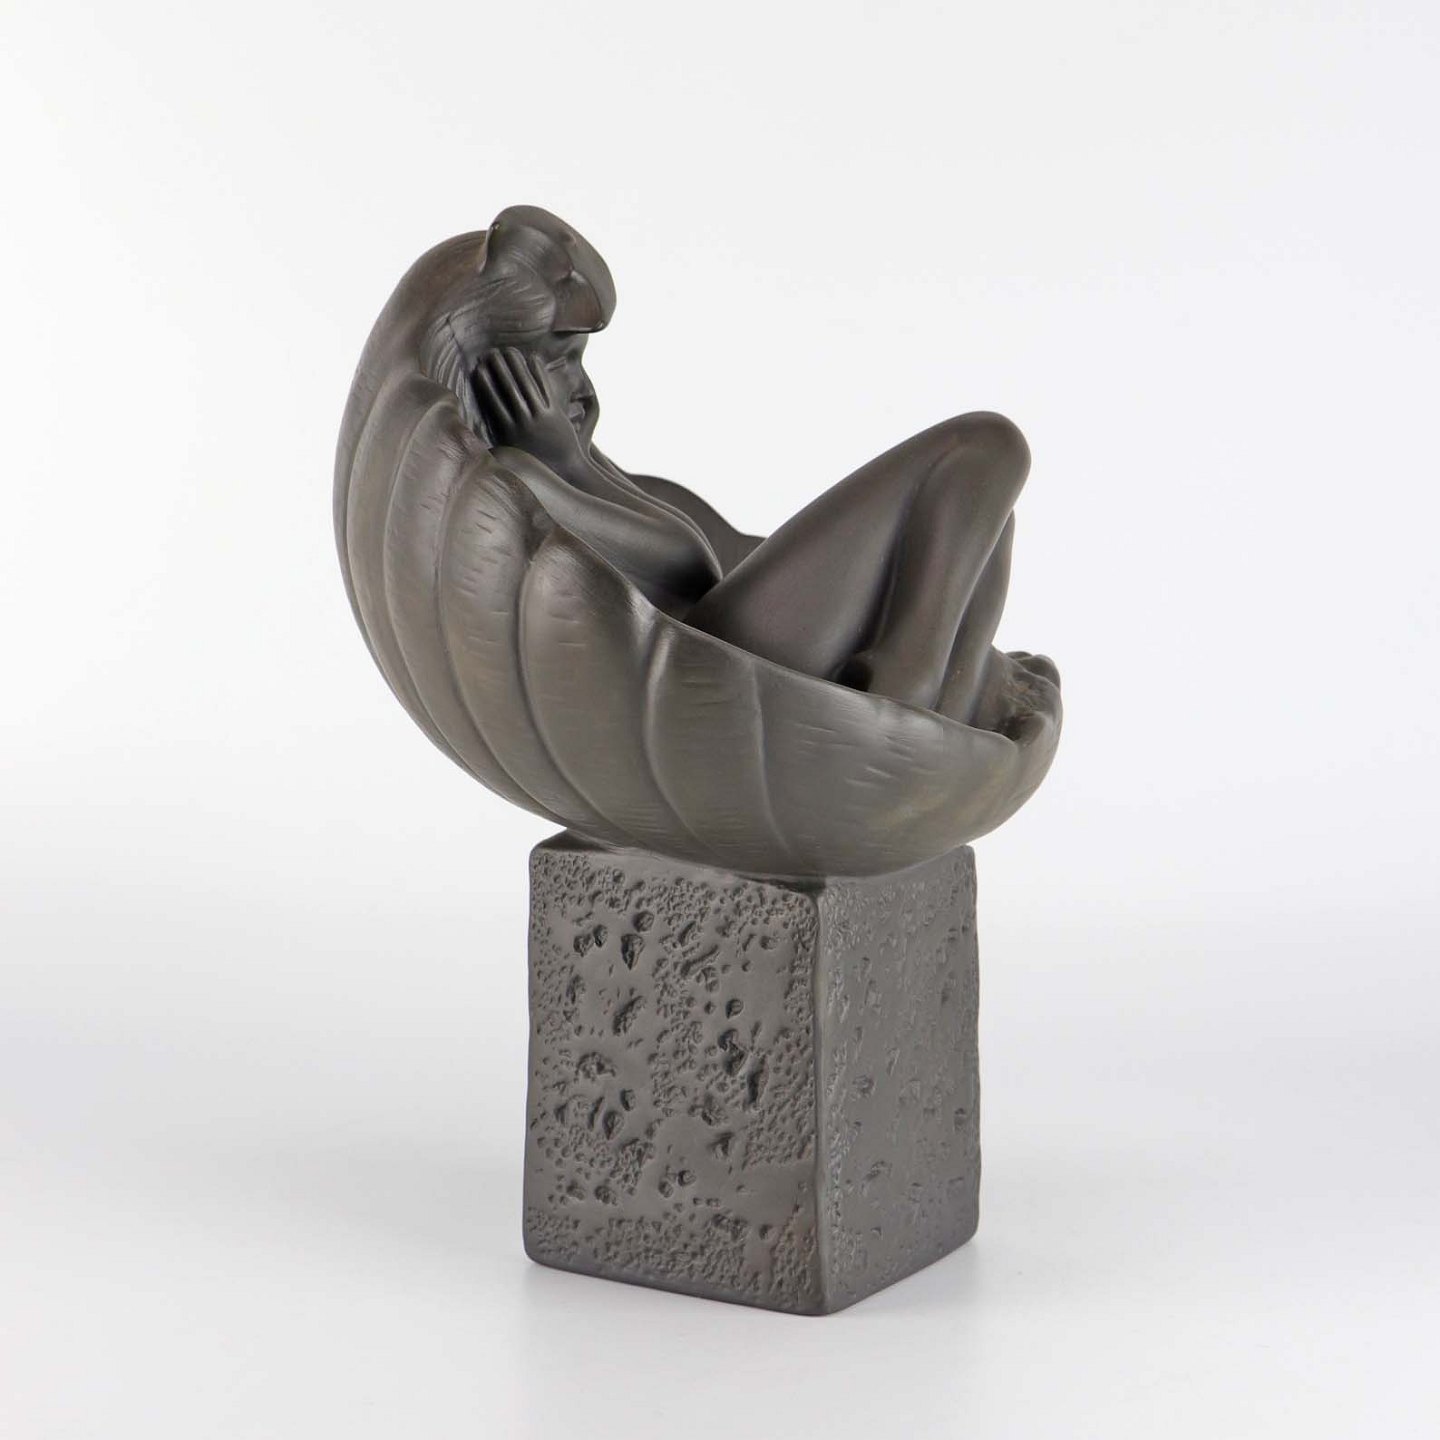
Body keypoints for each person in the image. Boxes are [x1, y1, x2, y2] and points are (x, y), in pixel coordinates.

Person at [441, 204, 1056, 725]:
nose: (581, 386)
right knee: (987, 447)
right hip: (723, 651)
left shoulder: (578, 472)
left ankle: (961, 676)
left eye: (581, 361)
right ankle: (914, 677)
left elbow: (713, 551)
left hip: (739, 633)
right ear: (500, 380)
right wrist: (565, 464)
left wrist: (581, 465)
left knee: (979, 512)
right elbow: (689, 562)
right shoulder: (523, 479)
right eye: (560, 362)